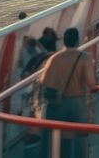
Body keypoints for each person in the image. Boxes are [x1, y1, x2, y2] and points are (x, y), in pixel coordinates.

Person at [38, 27, 96, 158]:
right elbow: (92, 84)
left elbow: (43, 80)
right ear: (77, 41)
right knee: (80, 140)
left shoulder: (54, 58)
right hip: (77, 104)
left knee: (58, 141)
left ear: (64, 41)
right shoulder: (84, 57)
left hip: (56, 104)